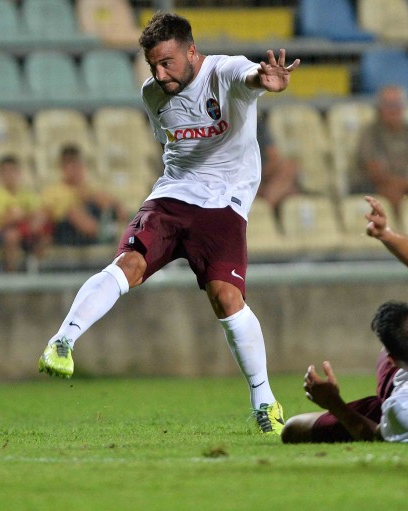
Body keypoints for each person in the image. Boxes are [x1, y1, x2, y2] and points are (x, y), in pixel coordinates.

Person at [38, 12, 300, 435]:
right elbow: (170, 145)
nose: (160, 74)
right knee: (127, 265)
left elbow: (249, 77)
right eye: (153, 65)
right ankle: (63, 340)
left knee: (226, 299)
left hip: (224, 204)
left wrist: (264, 79)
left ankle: (264, 401)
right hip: (172, 195)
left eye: (167, 63)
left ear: (191, 52)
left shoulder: (225, 72)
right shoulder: (153, 94)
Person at [281, 196, 408, 444]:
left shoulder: (407, 409)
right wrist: (386, 234)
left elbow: (373, 436)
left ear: (394, 360)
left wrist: (333, 402)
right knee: (398, 333)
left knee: (292, 429)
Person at [351, 85, 408, 210]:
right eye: (388, 105)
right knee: (394, 192)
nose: (393, 110)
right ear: (379, 108)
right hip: (374, 185)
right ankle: (399, 222)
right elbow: (375, 172)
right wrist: (407, 184)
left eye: (397, 104)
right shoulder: (370, 133)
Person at [41, 145, 129, 247]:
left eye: (77, 165)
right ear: (63, 168)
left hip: (91, 227)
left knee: (103, 200)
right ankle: (105, 235)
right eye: (71, 166)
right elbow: (49, 214)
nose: (75, 170)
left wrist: (114, 205)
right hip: (67, 232)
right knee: (73, 211)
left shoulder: (89, 188)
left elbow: (110, 203)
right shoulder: (53, 191)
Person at [0, 154, 52, 272]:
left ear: (18, 173)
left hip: (22, 230)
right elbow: (2, 221)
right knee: (12, 236)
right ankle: (11, 273)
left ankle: (33, 268)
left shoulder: (26, 193)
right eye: (5, 172)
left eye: (12, 171)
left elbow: (38, 212)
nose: (9, 175)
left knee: (45, 236)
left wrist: (21, 216)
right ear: (0, 175)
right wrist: (23, 216)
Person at [255, 114, 301, 216]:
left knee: (289, 168)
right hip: (239, 178)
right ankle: (267, 206)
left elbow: (273, 155)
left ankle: (267, 203)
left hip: (261, 175)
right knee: (290, 189)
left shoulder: (256, 124)